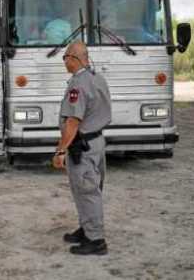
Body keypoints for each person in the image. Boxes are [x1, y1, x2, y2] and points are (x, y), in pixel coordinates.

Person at [53, 41, 111, 256]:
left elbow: (72, 123)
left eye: (65, 57)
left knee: (87, 191)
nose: (64, 61)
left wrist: (60, 151)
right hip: (96, 143)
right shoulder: (97, 78)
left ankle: (95, 240)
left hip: (83, 146)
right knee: (87, 190)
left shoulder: (78, 85)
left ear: (74, 59)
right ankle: (86, 228)